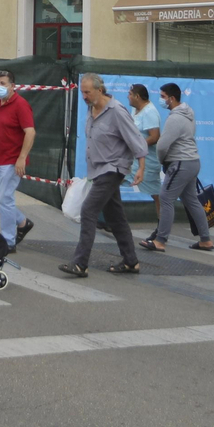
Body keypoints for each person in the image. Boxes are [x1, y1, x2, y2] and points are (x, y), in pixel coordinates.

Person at [61, 75, 147, 279]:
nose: (84, 96)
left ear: (100, 90)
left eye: (87, 92)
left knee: (89, 210)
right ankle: (130, 261)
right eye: (82, 92)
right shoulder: (92, 109)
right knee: (115, 216)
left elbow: (137, 141)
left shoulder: (116, 111)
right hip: (98, 170)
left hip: (113, 168)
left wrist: (141, 168)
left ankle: (80, 263)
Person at [140, 82, 213, 253]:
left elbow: (162, 146)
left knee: (165, 198)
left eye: (163, 97)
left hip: (180, 162)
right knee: (191, 200)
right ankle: (205, 240)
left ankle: (160, 241)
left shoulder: (174, 118)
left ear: (172, 98)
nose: (161, 100)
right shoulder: (189, 113)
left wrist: (162, 161)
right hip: (193, 161)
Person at [0, 69, 36, 253]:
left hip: (10, 161)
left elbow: (30, 131)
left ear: (13, 86)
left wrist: (21, 158)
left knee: (5, 199)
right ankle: (21, 221)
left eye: (3, 83)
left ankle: (8, 240)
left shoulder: (20, 104)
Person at [127, 84, 162, 224]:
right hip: (132, 160)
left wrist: (137, 145)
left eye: (130, 94)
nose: (127, 97)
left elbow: (154, 137)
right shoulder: (135, 110)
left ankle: (162, 225)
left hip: (148, 161)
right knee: (113, 181)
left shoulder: (150, 112)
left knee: (156, 194)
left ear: (137, 96)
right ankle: (108, 219)